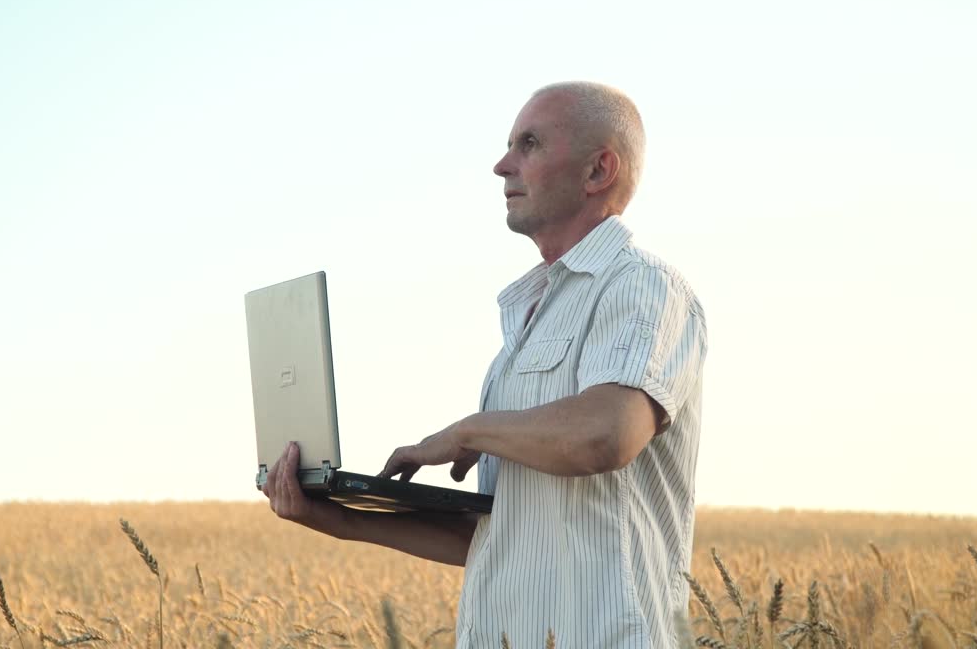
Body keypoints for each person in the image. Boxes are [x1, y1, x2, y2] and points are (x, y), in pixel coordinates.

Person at [261, 81, 707, 648]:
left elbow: (608, 434)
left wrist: (469, 432)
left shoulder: (645, 287)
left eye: (530, 144)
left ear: (599, 171)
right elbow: (497, 533)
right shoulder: (529, 319)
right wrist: (342, 519)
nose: (502, 165)